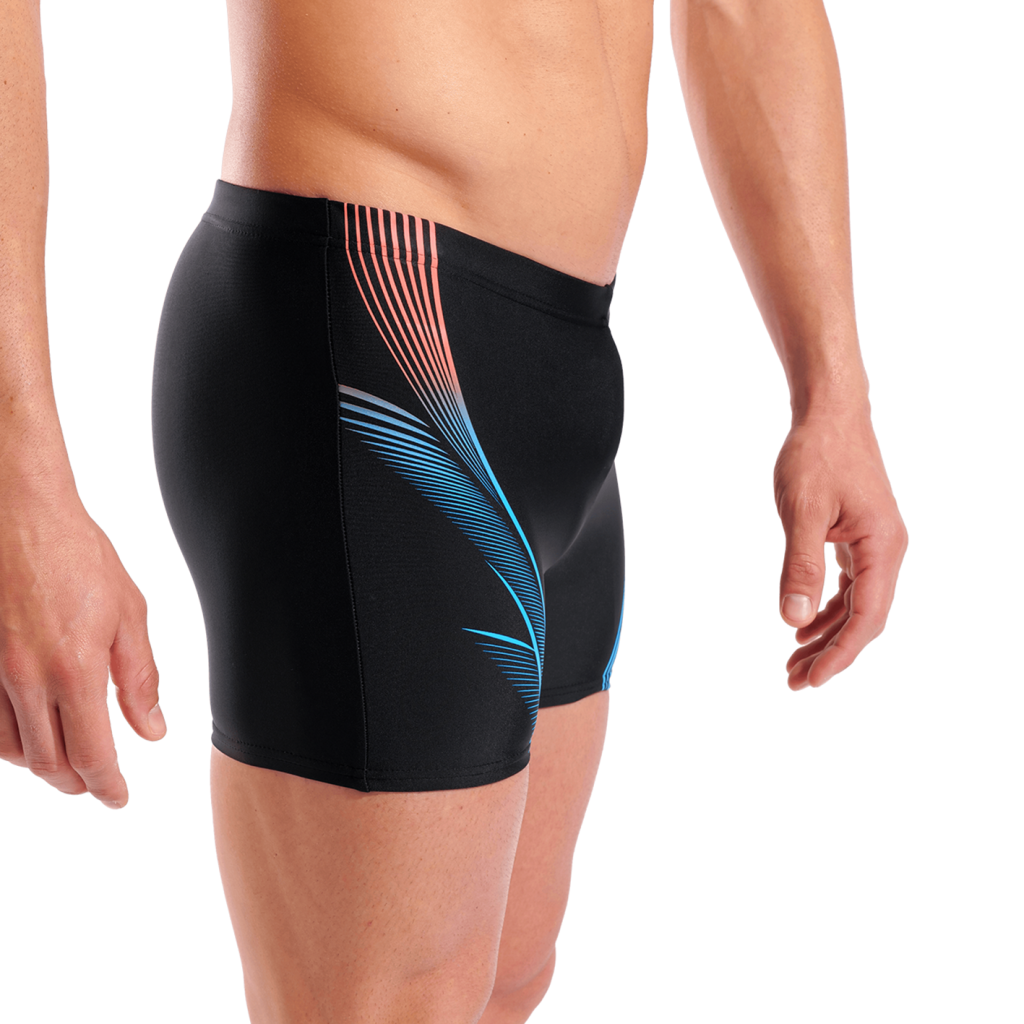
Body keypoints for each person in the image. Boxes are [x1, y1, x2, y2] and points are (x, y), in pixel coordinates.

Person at [0, 0, 907, 1021]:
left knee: (508, 978)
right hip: (369, 319)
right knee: (396, 1002)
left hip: (564, 358)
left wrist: (831, 388)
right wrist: (18, 479)